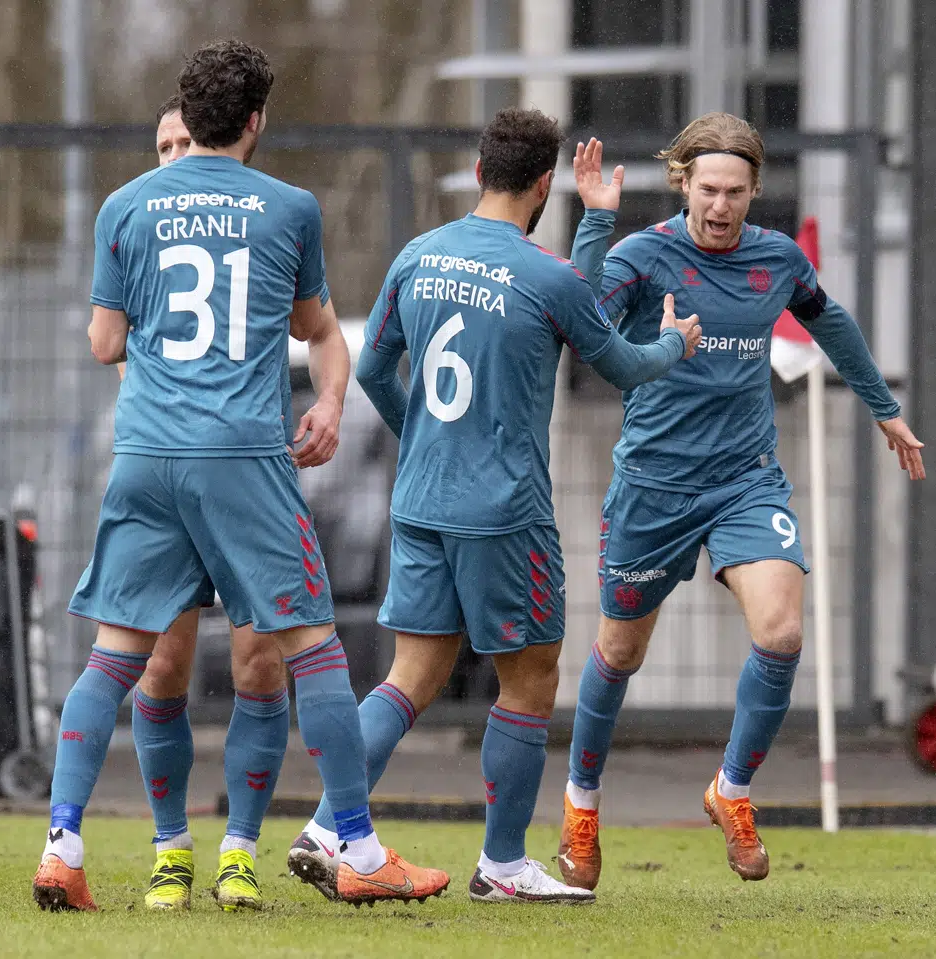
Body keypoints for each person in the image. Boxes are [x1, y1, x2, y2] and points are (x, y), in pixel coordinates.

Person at [32, 39, 448, 914]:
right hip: (241, 454)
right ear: (258, 120)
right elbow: (314, 323)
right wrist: (320, 400)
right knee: (315, 646)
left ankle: (64, 846)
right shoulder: (288, 208)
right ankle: (359, 847)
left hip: (145, 453)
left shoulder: (124, 207)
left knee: (115, 654)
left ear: (192, 109)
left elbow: (106, 344)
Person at [285, 107, 703, 905]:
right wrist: (677, 343)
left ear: (479, 173)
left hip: (423, 500)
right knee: (532, 678)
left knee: (412, 672)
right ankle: (503, 864)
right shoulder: (545, 274)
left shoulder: (419, 254)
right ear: (545, 185)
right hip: (504, 511)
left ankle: (329, 824)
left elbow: (374, 372)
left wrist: (426, 440)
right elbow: (620, 362)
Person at [556, 116, 926, 890]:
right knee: (621, 651)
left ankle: (732, 790)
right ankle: (581, 806)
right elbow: (580, 311)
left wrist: (882, 405)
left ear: (755, 192)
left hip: (745, 480)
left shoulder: (777, 259)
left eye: (735, 192)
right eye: (707, 189)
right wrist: (594, 218)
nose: (720, 206)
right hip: (654, 487)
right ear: (683, 184)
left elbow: (831, 322)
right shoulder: (644, 255)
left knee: (783, 630)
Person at [118, 94, 346, 912]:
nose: (177, 156)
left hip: (251, 470)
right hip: (172, 480)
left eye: (188, 139)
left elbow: (321, 330)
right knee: (162, 663)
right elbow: (114, 348)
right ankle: (170, 847)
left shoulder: (272, 220)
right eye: (162, 145)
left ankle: (240, 847)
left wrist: (330, 400)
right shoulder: (138, 228)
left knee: (261, 662)